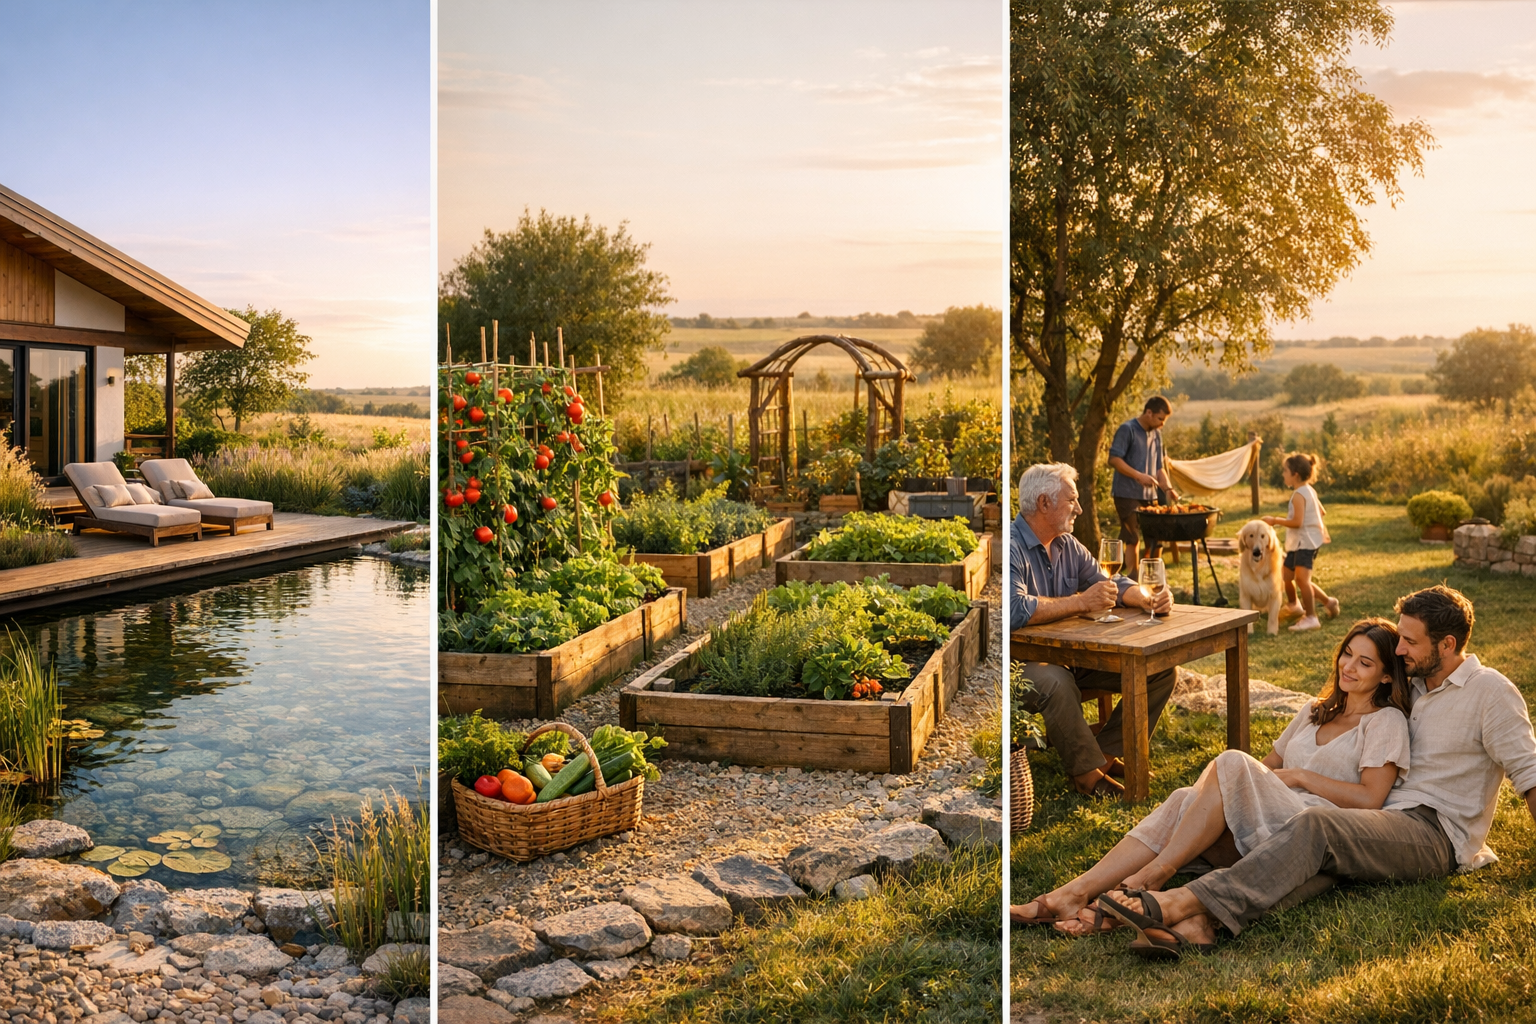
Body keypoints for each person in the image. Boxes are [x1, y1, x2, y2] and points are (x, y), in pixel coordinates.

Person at [1093, 585, 1536, 956]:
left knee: (1317, 825)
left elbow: (1530, 773)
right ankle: (1199, 925)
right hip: (1381, 821)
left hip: (1434, 831)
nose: (1399, 650)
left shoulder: (1491, 693)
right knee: (1319, 861)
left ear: (1448, 645)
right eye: (1399, 639)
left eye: (1410, 642)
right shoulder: (1413, 684)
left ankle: (1178, 902)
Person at [1012, 618, 1410, 947]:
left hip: (1308, 833)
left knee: (1232, 761)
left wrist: (1303, 776)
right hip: (1262, 821)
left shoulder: (1384, 722)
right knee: (1187, 795)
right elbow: (1266, 767)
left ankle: (1149, 878)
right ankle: (1075, 893)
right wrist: (1257, 779)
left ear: (1387, 677)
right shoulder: (1313, 711)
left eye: (1365, 663)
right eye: (1347, 654)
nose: (1349, 667)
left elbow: (1371, 798)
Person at [1011, 462, 1175, 798]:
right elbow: (1015, 609)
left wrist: (1145, 599)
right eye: (1071, 500)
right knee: (1055, 682)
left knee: (1160, 670)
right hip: (1019, 666)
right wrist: (1080, 602)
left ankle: (1099, 755)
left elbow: (1109, 581)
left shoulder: (1067, 544)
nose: (1079, 508)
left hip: (1071, 656)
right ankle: (1087, 777)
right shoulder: (1010, 546)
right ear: (1044, 503)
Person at [1262, 452, 1339, 632]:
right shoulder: (1309, 490)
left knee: (1302, 580)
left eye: (1285, 470)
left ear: (1295, 474)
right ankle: (1300, 604)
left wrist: (1274, 520)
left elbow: (1297, 522)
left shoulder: (1299, 494)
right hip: (1300, 542)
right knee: (1287, 575)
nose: (1283, 474)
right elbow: (1322, 512)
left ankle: (1311, 617)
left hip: (1305, 543)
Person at [1107, 396, 1181, 577]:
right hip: (1126, 493)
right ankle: (1132, 579)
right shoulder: (1127, 430)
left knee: (1155, 536)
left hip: (1149, 495)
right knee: (1132, 537)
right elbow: (1114, 459)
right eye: (1160, 419)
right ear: (1149, 413)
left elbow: (1158, 468)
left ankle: (1152, 577)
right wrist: (1138, 476)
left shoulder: (1157, 435)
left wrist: (1168, 489)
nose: (1162, 424)